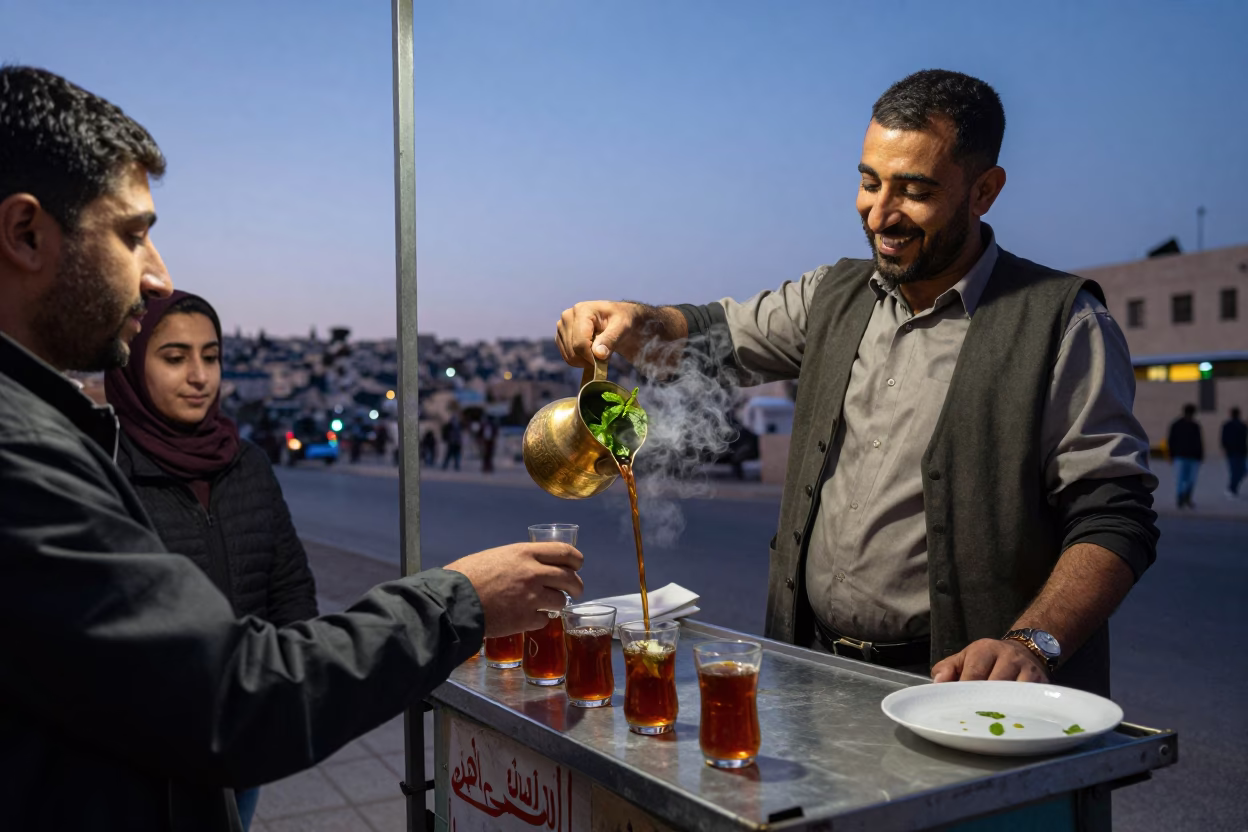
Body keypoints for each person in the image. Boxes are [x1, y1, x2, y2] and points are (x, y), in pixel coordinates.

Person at [0, 65, 584, 831]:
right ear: (26, 234)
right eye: (132, 234)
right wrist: (461, 601)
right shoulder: (20, 456)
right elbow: (228, 697)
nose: (156, 275)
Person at [557, 69, 1158, 696]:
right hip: (811, 669)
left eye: (914, 191)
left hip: (957, 696)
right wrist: (631, 319)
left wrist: (1032, 641)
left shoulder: (1063, 322)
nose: (880, 214)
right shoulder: (832, 295)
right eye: (869, 183)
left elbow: (1114, 518)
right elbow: (710, 337)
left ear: (984, 190)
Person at [104, 290, 319, 830]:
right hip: (151, 757)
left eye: (211, 355)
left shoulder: (246, 464)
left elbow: (290, 587)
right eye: (175, 357)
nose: (199, 375)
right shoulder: (109, 472)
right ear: (132, 364)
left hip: (246, 737)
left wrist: (280, 699)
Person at [1167, 404, 1204, 509]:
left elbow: (1199, 442)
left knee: (1190, 480)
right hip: (1181, 456)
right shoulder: (1177, 425)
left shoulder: (1194, 426)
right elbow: (1172, 440)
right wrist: (1171, 454)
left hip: (1191, 456)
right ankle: (1181, 498)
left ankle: (1186, 497)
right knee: (1181, 479)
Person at [1220, 407, 1245, 498]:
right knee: (1239, 471)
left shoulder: (1227, 425)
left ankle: (1232, 488)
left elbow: (1223, 439)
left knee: (1236, 471)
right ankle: (1232, 489)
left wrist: (1225, 448)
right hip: (1239, 452)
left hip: (1233, 452)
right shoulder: (1242, 425)